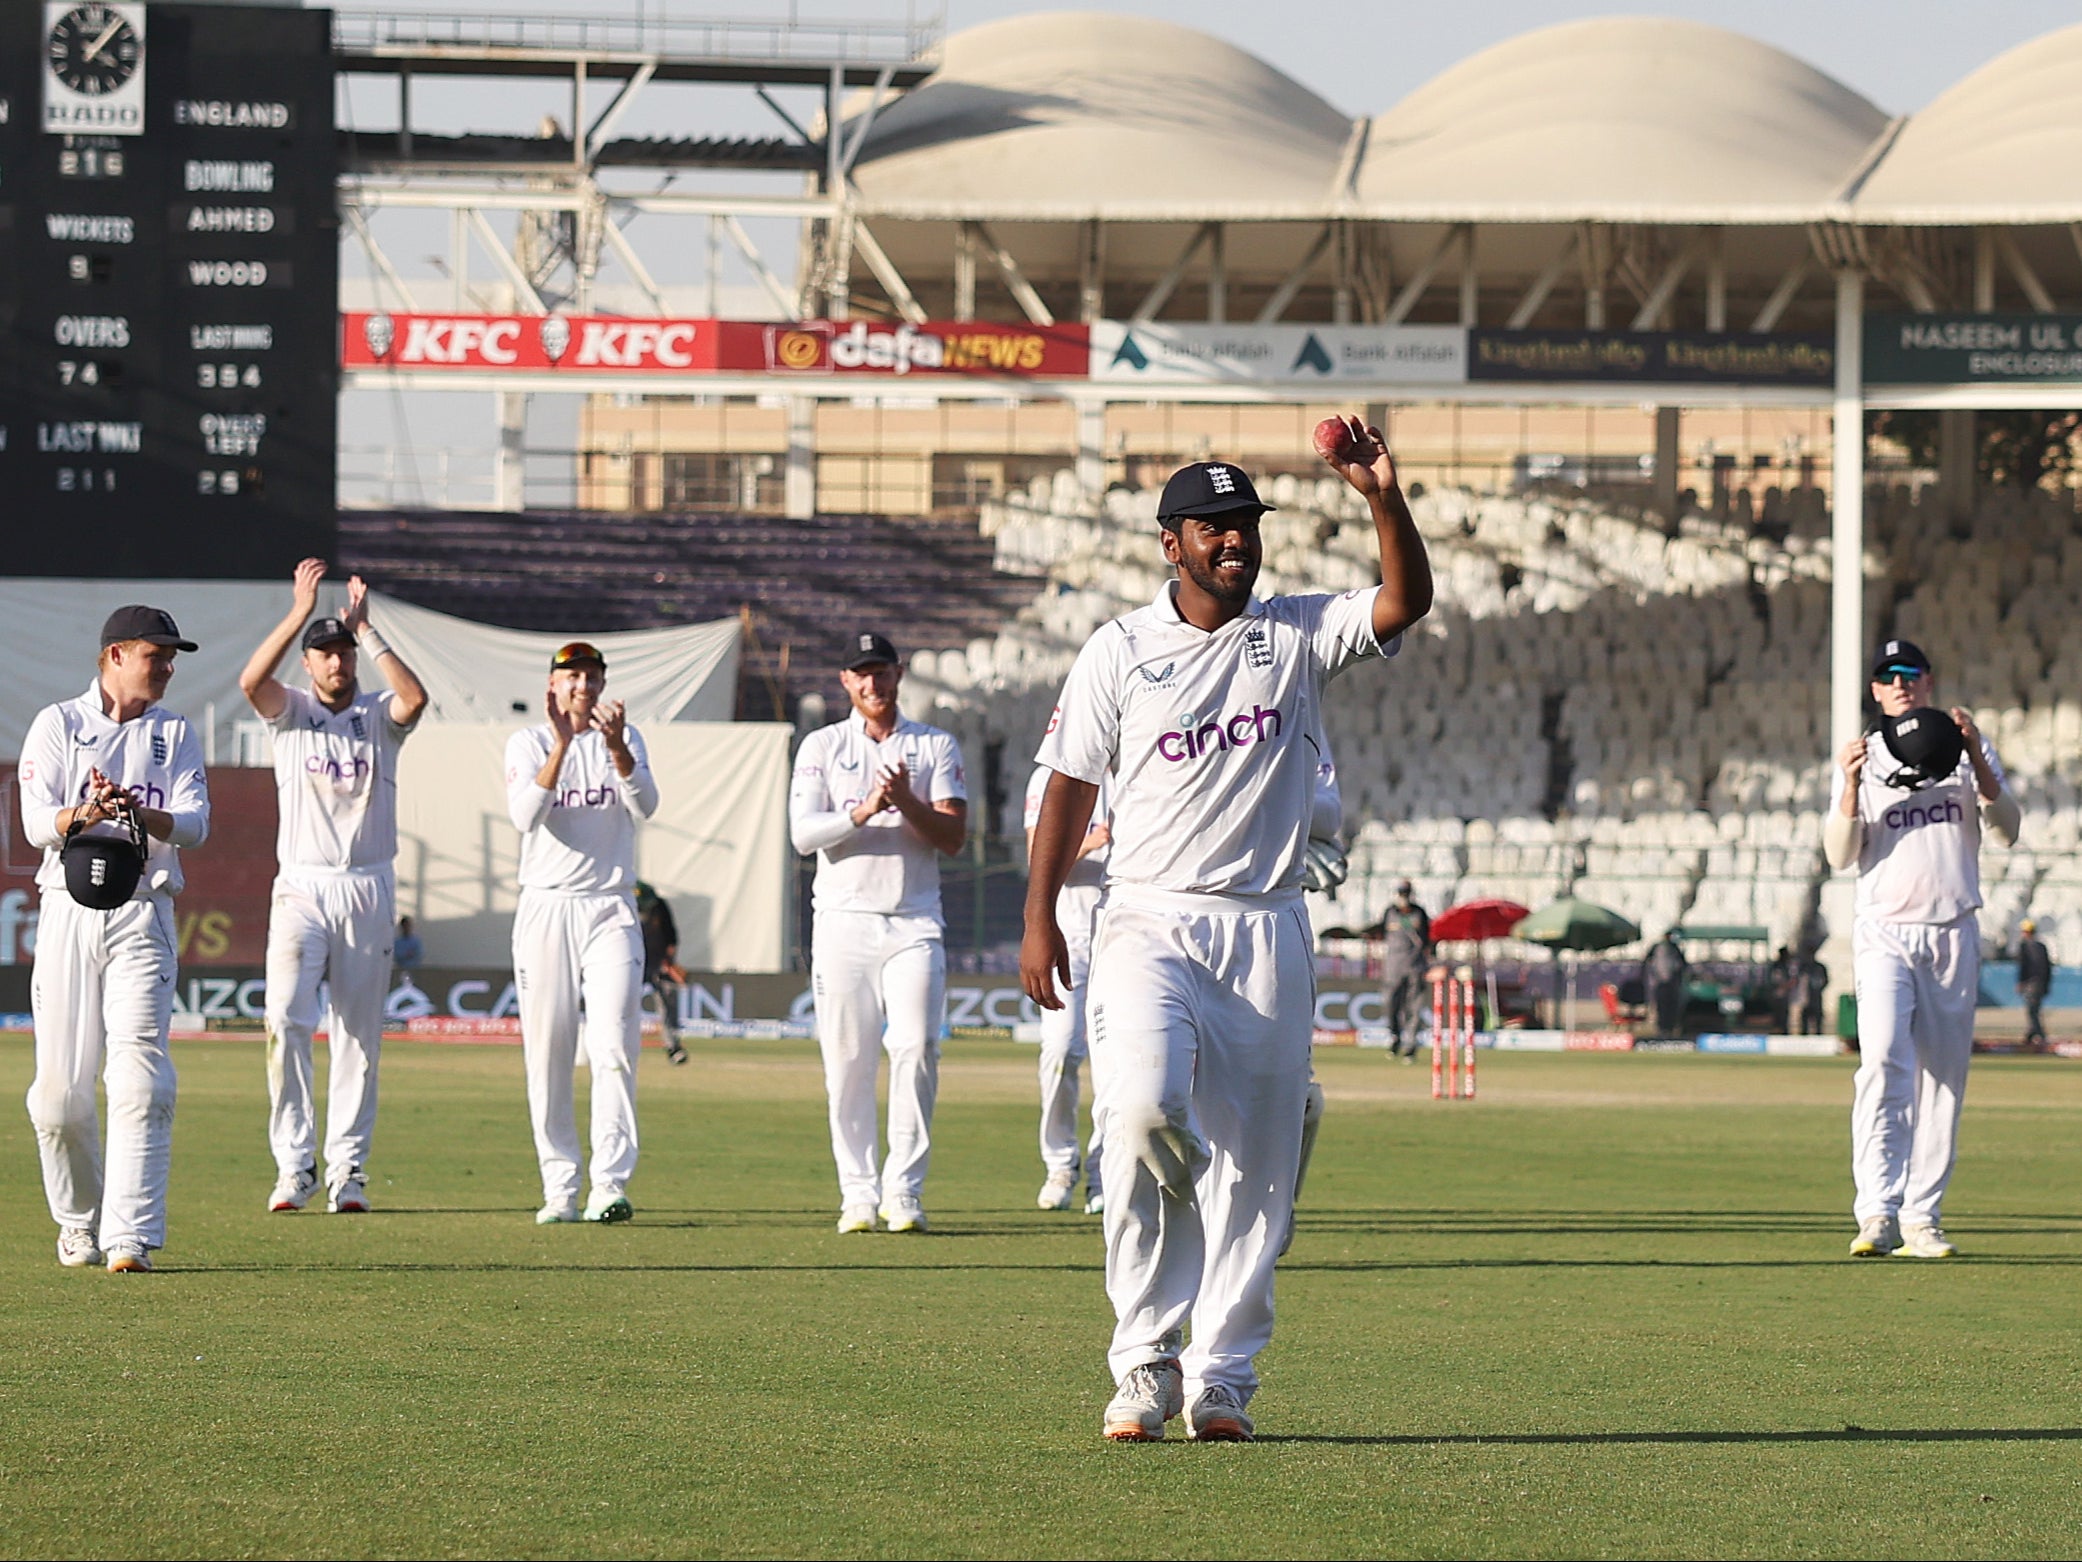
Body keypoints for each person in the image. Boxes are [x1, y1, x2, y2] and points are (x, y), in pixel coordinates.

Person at [1022, 415, 1432, 1444]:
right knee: (1141, 1113)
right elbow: (1069, 789)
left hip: (1266, 927)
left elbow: (1405, 601)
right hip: (1148, 919)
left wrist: (1380, 493)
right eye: (1213, 526)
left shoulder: (1295, 631)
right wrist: (1039, 918)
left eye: (1244, 523)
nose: (1234, 538)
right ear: (1172, 543)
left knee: (1256, 1171)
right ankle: (1143, 1359)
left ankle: (1222, 1378)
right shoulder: (1116, 649)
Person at [20, 606, 211, 1272]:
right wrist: (89, 812)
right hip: (67, 910)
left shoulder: (176, 731)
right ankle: (79, 1221)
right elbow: (35, 823)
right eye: (156, 655)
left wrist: (138, 810)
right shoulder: (60, 724)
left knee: (139, 1078)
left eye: (171, 657)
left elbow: (193, 824)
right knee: (58, 1099)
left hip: (143, 909)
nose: (167, 667)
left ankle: (129, 1236)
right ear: (116, 655)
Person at [239, 560, 428, 1215]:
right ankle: (294, 1166)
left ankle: (347, 1168)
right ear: (309, 663)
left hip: (368, 887)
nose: (335, 663)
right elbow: (250, 681)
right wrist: (300, 611)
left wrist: (367, 631)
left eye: (341, 652)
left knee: (356, 1033)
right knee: (287, 1018)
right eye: (323, 653)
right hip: (302, 886)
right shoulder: (290, 712)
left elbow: (416, 700)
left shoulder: (377, 714)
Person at [1827, 637, 2019, 1259]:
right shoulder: (1863, 754)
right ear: (1877, 690)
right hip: (1884, 928)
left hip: (1952, 928)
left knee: (1943, 1081)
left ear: (1928, 681)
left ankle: (1921, 1218)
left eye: (1910, 672)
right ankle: (1875, 1210)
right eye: (1888, 676)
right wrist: (1851, 785)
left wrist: (1978, 759)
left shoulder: (1966, 747)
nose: (1901, 682)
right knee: (1882, 1060)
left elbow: (2008, 828)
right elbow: (1838, 854)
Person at [789, 632, 968, 1235]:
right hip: (842, 921)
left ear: (899, 675)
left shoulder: (934, 744)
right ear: (846, 681)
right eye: (861, 674)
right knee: (847, 1062)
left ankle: (905, 1192)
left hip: (914, 919)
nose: (874, 684)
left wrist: (905, 802)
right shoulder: (822, 745)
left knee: (916, 1048)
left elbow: (951, 837)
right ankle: (858, 1194)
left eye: (882, 672)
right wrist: (863, 812)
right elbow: (803, 835)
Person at [505, 641, 659, 1225]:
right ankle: (560, 1186)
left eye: (592, 677)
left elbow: (647, 805)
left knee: (615, 1044)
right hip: (546, 907)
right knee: (548, 1050)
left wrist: (616, 747)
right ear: (553, 684)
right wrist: (563, 746)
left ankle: (610, 1184)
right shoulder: (527, 742)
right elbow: (526, 815)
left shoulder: (626, 738)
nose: (583, 687)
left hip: (610, 906)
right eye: (572, 677)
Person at [1025, 763, 1108, 1215]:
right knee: (1060, 1050)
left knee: (1117, 1062)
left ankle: (1103, 1169)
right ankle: (1060, 1163)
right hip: (1070, 937)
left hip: (1127, 936)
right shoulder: (1050, 777)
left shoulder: (1146, 762)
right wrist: (1089, 841)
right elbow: (1035, 854)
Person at [1374, 881, 1431, 1059]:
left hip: (1415, 966)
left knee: (1413, 1006)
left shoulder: (1419, 913)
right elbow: (1381, 932)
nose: (1403, 897)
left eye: (1406, 893)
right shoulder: (1390, 912)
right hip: (1393, 967)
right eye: (1401, 893)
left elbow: (1428, 940)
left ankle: (1411, 1044)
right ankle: (1395, 1036)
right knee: (1391, 1003)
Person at [635, 881, 689, 1066]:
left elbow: (671, 935)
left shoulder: (659, 906)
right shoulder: (624, 905)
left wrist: (669, 960)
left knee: (667, 1004)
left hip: (658, 963)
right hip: (634, 962)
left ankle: (673, 1046)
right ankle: (618, 1043)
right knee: (624, 1003)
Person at [1642, 929, 1689, 1038]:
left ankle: (1669, 1028)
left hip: (1672, 984)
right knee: (1662, 1006)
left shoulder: (1674, 948)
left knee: (1671, 1007)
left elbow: (1683, 964)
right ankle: (1662, 1029)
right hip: (1661, 983)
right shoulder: (1658, 948)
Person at [2016, 918, 2052, 1051]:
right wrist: (2046, 984)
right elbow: (2048, 968)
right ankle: (2031, 1033)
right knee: (2034, 1009)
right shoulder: (2041, 946)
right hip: (2039, 983)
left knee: (2032, 1010)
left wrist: (2021, 982)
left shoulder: (2025, 946)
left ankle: (2039, 1034)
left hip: (2031, 983)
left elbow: (2024, 967)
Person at [1798, 949, 1830, 1037]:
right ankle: (1804, 1036)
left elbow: (1826, 980)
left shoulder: (1820, 967)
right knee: (1805, 1019)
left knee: (1818, 1018)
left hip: (1816, 997)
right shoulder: (1803, 967)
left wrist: (1818, 989)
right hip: (1805, 997)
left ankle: (1818, 1035)